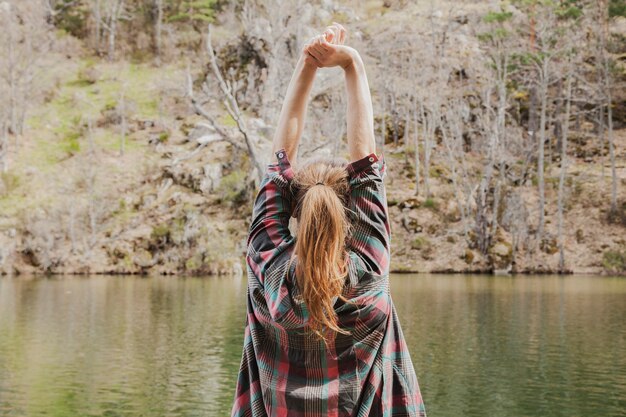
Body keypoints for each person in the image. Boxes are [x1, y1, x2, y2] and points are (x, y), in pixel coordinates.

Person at [231, 23, 426, 417]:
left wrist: (307, 65)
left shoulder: (270, 271)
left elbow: (277, 167)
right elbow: (366, 166)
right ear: (350, 213)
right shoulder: (369, 269)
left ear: (294, 209)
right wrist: (352, 64)